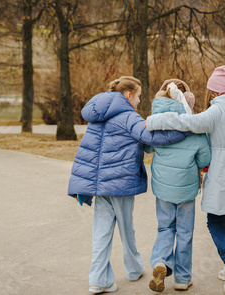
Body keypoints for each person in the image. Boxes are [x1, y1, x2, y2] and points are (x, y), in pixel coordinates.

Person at [145, 65, 225, 293]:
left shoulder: (216, 111)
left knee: (215, 221)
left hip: (221, 171)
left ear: (215, 91)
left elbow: (188, 122)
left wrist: (153, 121)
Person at [68, 76, 188, 294]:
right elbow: (153, 137)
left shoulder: (98, 115)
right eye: (139, 96)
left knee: (101, 231)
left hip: (99, 185)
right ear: (128, 95)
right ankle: (134, 270)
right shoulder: (128, 117)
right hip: (121, 184)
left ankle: (98, 279)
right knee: (126, 229)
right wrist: (185, 128)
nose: (140, 101)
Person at [146, 79, 211, 292]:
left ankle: (160, 262)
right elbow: (204, 159)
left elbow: (147, 147)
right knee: (184, 232)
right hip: (186, 188)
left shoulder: (154, 124)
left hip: (163, 187)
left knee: (165, 227)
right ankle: (182, 278)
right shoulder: (194, 127)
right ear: (188, 102)